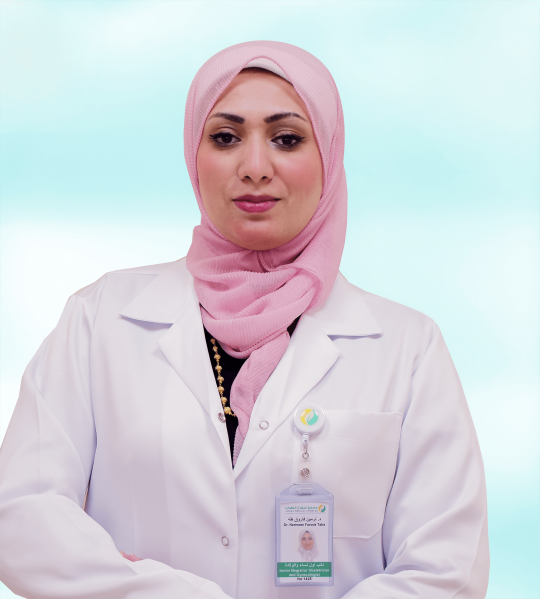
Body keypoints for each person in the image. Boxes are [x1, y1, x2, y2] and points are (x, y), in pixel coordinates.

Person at [0, 41, 489, 599]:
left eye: (287, 139)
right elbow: (20, 516)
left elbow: (447, 570)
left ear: (329, 155)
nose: (255, 168)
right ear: (194, 156)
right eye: (226, 137)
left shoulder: (407, 347)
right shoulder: (101, 320)